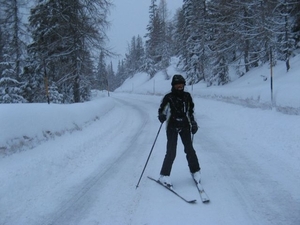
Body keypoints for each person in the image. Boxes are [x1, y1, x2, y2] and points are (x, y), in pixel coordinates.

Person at [158, 74, 201, 188]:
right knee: (171, 151)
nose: (180, 86)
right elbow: (162, 109)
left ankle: (195, 171)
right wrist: (161, 116)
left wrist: (194, 123)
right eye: (177, 84)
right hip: (172, 125)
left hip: (185, 125)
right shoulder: (168, 97)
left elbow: (191, 111)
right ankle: (164, 175)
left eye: (181, 84)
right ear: (173, 85)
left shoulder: (187, 96)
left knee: (189, 149)